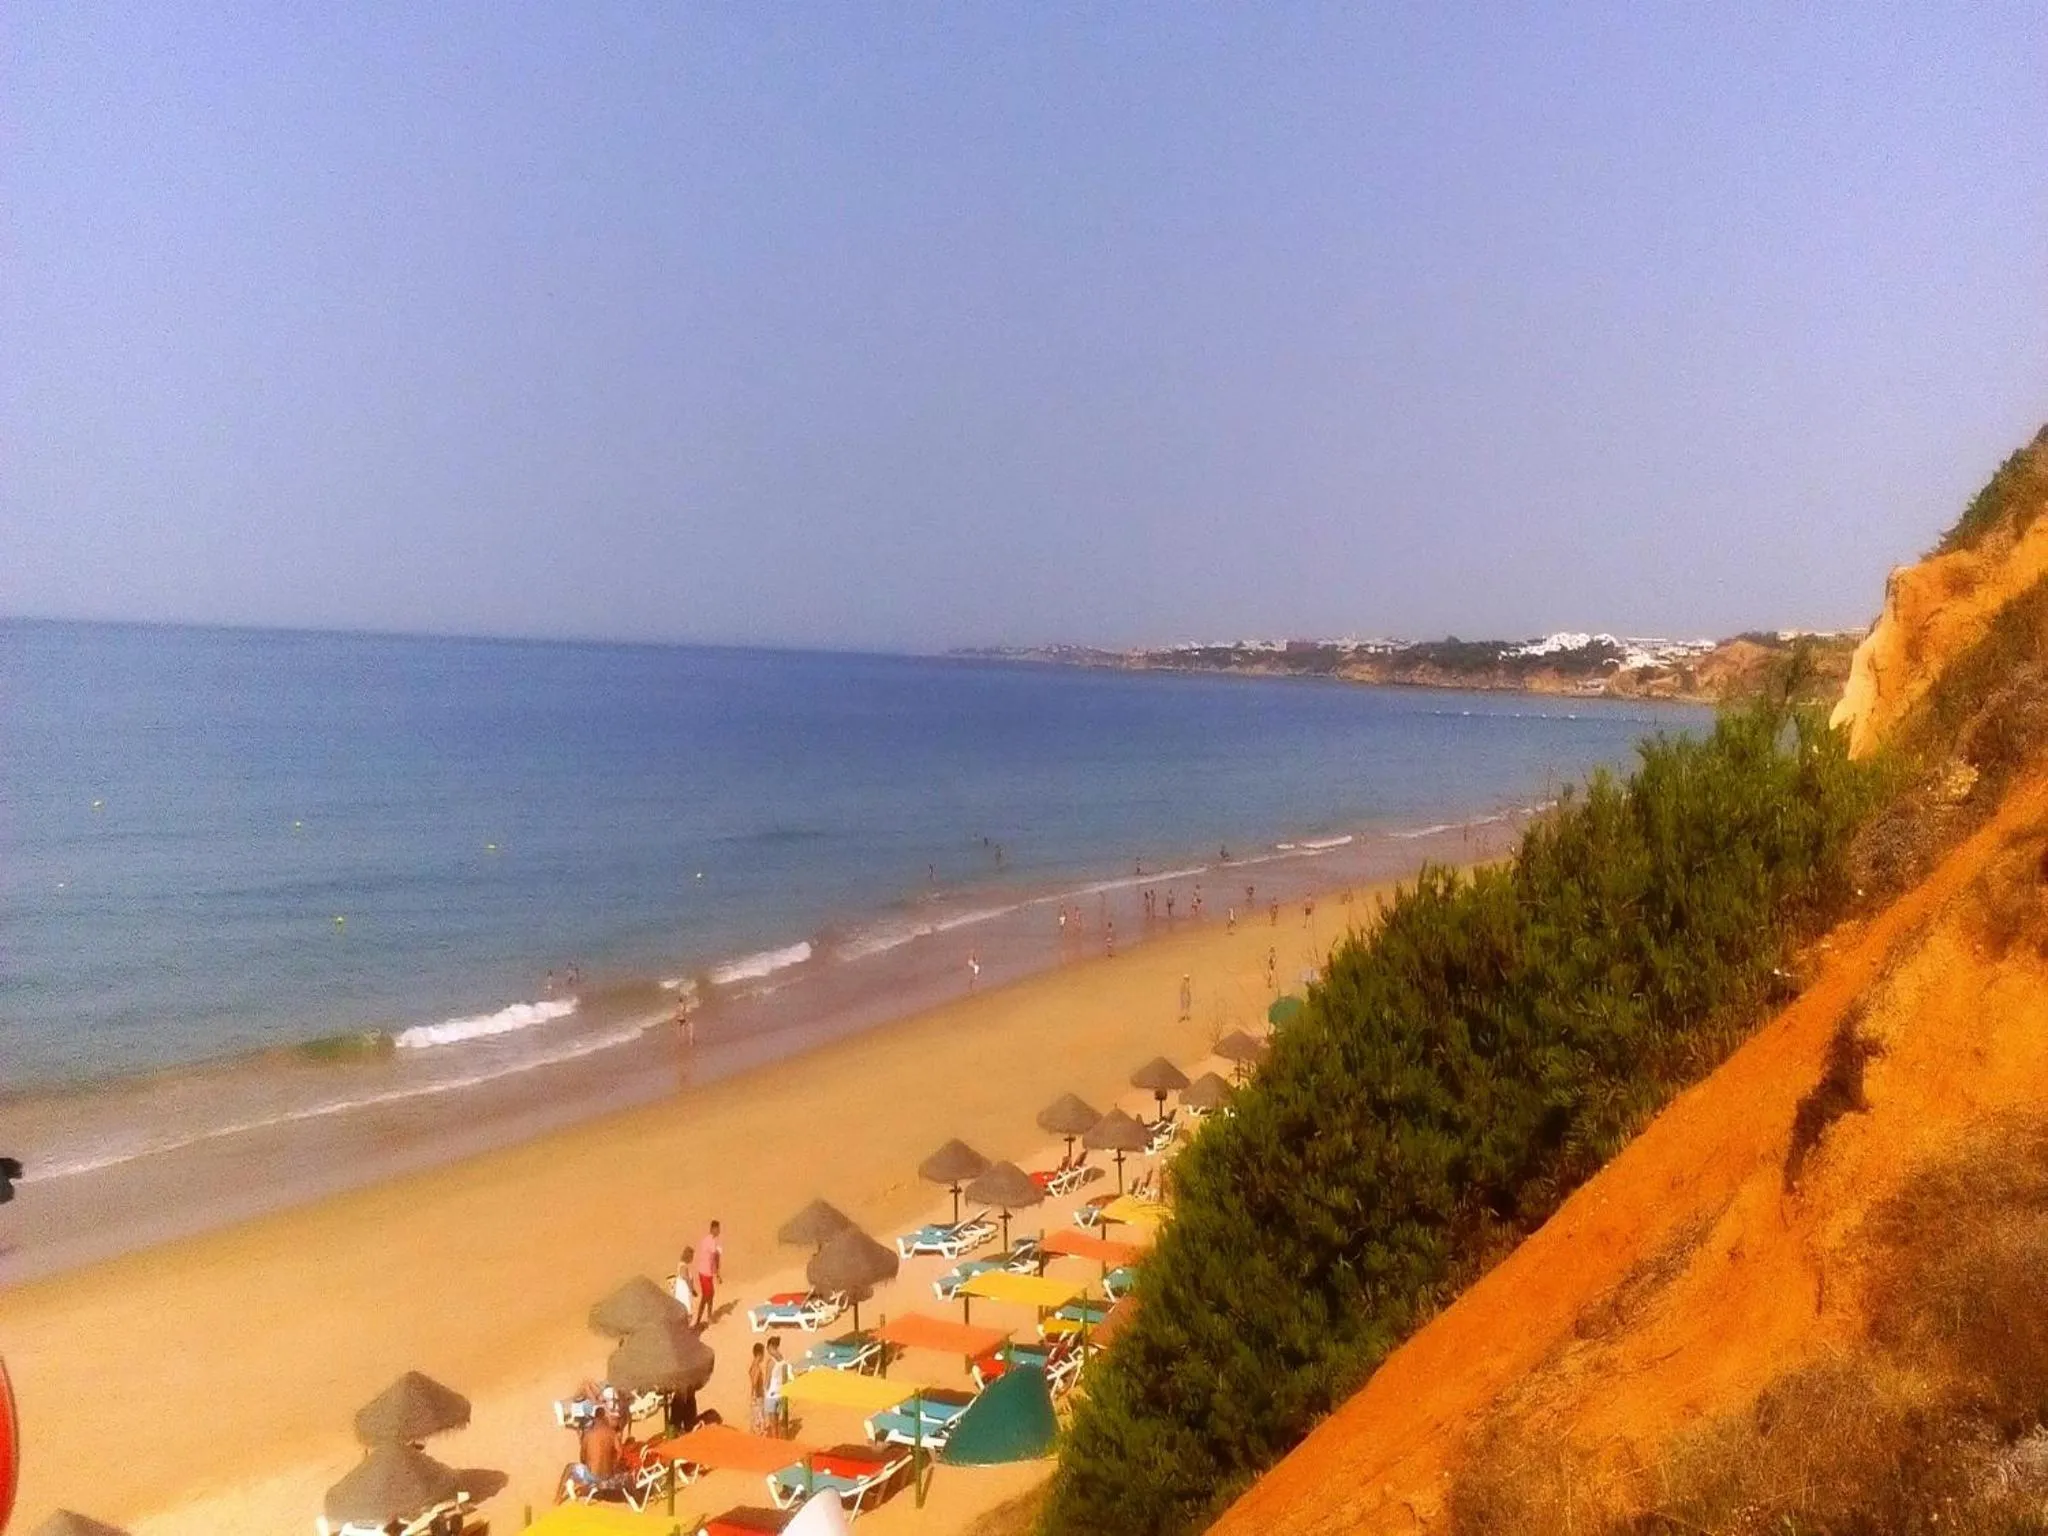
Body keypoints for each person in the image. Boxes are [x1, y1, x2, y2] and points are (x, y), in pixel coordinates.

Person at [693, 1220, 722, 1327]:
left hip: (707, 1273)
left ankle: (708, 1316)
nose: (719, 1231)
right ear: (713, 1229)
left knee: (711, 1294)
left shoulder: (710, 1240)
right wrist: (718, 1272)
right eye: (717, 1229)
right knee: (706, 1296)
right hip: (704, 1273)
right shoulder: (710, 1241)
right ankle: (698, 1320)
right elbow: (715, 1257)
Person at [580, 1410, 621, 1480]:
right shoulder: (611, 1432)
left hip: (592, 1472)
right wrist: (614, 1464)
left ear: (595, 1419)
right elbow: (619, 1451)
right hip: (607, 1472)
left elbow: (582, 1456)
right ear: (604, 1418)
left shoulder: (588, 1434)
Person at [764, 1335, 792, 1435]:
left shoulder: (771, 1361)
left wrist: (765, 1391)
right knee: (782, 1423)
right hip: (781, 1392)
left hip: (772, 1393)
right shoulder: (783, 1360)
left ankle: (775, 1445)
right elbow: (785, 1377)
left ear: (770, 1346)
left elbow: (767, 1381)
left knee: (773, 1425)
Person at [748, 1342, 768, 1434]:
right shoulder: (757, 1368)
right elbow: (754, 1382)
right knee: (760, 1423)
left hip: (755, 1398)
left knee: (756, 1421)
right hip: (758, 1398)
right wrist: (754, 1395)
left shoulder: (752, 1365)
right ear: (760, 1354)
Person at [673, 1247, 699, 1311]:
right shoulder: (684, 1266)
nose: (692, 1258)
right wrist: (692, 1290)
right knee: (686, 1310)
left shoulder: (682, 1265)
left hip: (683, 1290)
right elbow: (686, 1279)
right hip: (684, 1292)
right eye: (691, 1256)